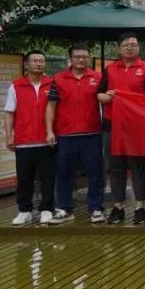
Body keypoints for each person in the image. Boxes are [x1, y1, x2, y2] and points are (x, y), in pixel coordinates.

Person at [97, 32, 145, 225]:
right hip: (112, 125)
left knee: (138, 167)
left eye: (133, 45)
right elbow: (99, 95)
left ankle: (140, 207)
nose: (130, 48)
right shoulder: (109, 69)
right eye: (126, 45)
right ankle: (118, 207)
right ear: (119, 48)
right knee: (116, 168)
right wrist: (107, 96)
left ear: (139, 48)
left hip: (137, 127)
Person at [45, 43, 104, 224]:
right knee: (64, 172)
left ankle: (96, 209)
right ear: (70, 58)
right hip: (65, 134)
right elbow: (51, 105)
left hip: (92, 133)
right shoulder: (58, 78)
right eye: (77, 56)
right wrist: (49, 131)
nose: (81, 60)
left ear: (88, 58)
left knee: (95, 173)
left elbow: (105, 100)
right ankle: (64, 208)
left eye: (84, 57)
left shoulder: (98, 77)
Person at [5, 50, 56, 225]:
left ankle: (47, 209)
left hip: (47, 140)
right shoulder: (16, 86)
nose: (39, 64)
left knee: (47, 177)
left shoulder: (52, 83)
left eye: (41, 61)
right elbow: (9, 112)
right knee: (24, 178)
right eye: (34, 61)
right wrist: (9, 136)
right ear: (26, 64)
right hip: (24, 140)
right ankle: (24, 210)